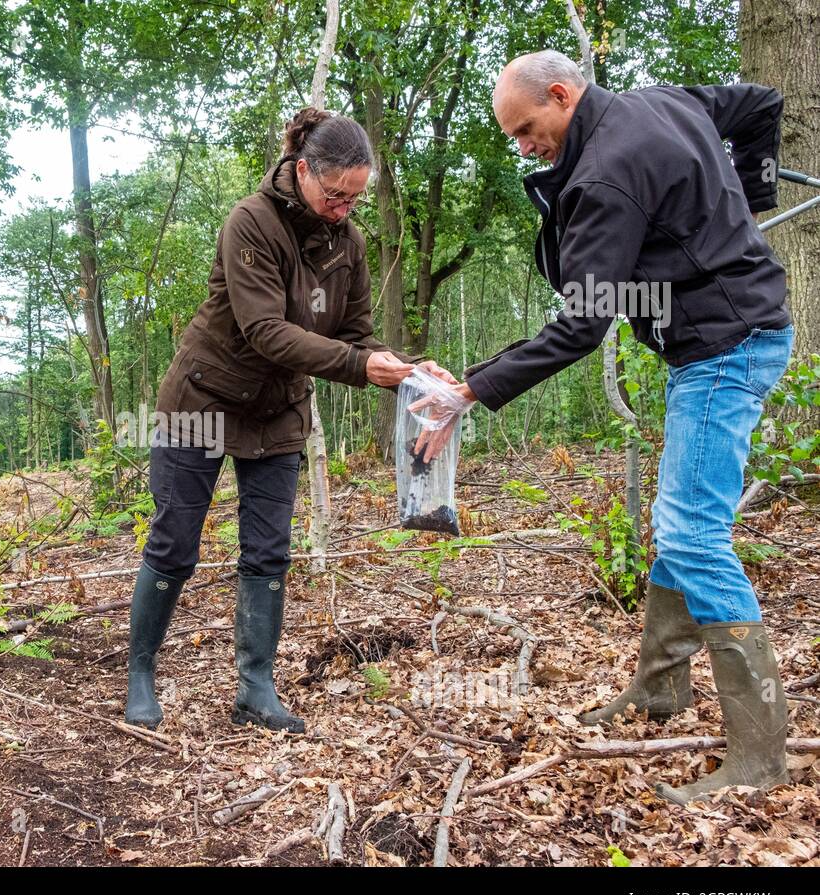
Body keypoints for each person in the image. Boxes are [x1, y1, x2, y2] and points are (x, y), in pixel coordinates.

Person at [418, 51, 793, 805]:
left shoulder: (603, 177)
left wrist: (473, 389)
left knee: (692, 533)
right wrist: (752, 189)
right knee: (680, 518)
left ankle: (760, 754)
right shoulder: (664, 100)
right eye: (515, 137)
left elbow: (584, 324)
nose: (524, 146)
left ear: (562, 95)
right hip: (714, 337)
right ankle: (660, 691)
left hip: (728, 344)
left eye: (528, 128)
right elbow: (759, 103)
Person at [126, 108, 453, 734]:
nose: (343, 209)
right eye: (335, 195)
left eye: (355, 199)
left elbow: (355, 337)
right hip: (203, 402)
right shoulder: (252, 222)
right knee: (175, 540)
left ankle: (255, 688)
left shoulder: (350, 244)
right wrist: (364, 367)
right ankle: (141, 675)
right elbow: (266, 332)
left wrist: (409, 369)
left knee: (269, 550)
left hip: (278, 412)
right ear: (303, 171)